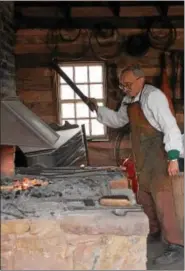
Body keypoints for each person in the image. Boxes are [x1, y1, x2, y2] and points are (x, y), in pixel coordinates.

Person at [89, 64, 184, 265]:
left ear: (141, 80)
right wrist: (98, 109)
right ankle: (153, 232)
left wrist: (173, 157)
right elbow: (116, 120)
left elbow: (170, 126)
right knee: (144, 196)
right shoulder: (129, 100)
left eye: (128, 84)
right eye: (122, 85)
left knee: (164, 200)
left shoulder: (153, 97)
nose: (125, 89)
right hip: (141, 157)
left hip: (159, 156)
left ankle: (177, 246)